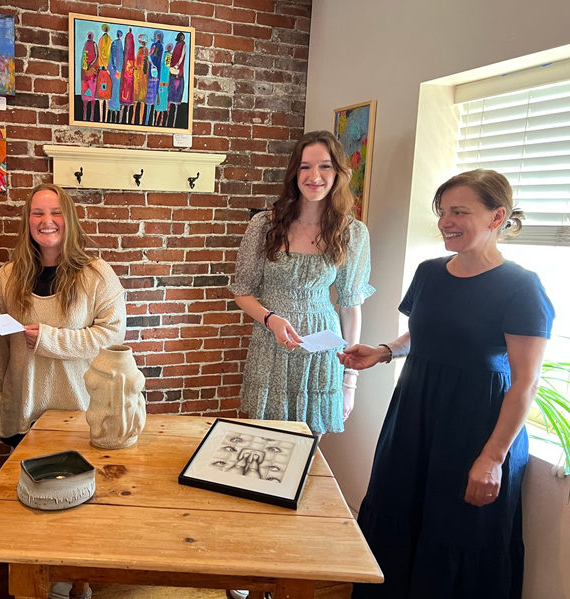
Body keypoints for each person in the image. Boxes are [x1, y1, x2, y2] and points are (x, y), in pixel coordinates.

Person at [340, 169, 554, 599]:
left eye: (459, 212)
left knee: (459, 533)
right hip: (413, 416)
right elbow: (424, 332)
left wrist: (492, 459)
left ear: (497, 217)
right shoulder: (430, 272)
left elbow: (525, 383)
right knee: (397, 516)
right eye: (442, 212)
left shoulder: (521, 287)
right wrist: (384, 351)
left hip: (476, 428)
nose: (445, 222)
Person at [229, 130, 374, 435]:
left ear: (338, 173)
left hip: (322, 352)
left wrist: (350, 382)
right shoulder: (264, 225)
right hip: (272, 347)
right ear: (295, 172)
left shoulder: (352, 233)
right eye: (305, 166)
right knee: (265, 444)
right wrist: (271, 319)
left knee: (309, 447)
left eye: (325, 166)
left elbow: (350, 307)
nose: (314, 176)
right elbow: (241, 291)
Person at [0, 183, 126, 448]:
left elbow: (112, 336)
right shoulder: (6, 278)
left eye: (56, 212)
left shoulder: (97, 274)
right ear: (27, 221)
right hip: (22, 413)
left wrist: (49, 339)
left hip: (81, 411)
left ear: (70, 219)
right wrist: (0, 401)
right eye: (37, 213)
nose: (46, 221)